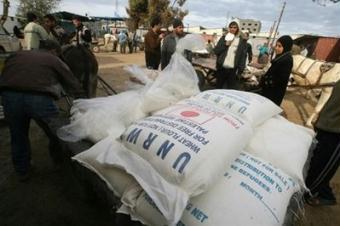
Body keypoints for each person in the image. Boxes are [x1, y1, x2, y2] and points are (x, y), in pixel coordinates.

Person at [0, 40, 82, 182]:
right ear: (54, 51)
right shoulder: (53, 59)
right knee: (57, 133)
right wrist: (83, 97)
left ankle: (22, 171)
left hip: (9, 97)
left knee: (18, 135)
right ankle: (60, 163)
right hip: (39, 98)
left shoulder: (16, 55)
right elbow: (71, 81)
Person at [304, 79, 340, 206]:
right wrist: (319, 120)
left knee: (322, 167)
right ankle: (322, 191)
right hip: (325, 126)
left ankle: (313, 193)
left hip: (335, 133)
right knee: (315, 163)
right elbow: (333, 102)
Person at [259, 35, 293, 106]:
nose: (276, 48)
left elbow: (280, 79)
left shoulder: (287, 60)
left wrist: (264, 81)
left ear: (286, 47)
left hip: (274, 94)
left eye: (279, 46)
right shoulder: (281, 56)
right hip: (269, 91)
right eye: (276, 45)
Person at [213, 21, 248, 89]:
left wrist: (240, 70)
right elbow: (216, 51)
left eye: (235, 27)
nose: (232, 29)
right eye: (231, 27)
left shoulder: (242, 40)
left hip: (233, 70)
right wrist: (225, 45)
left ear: (238, 28)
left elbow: (243, 56)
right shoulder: (224, 37)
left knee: (230, 90)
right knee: (218, 88)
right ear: (229, 28)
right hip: (222, 68)